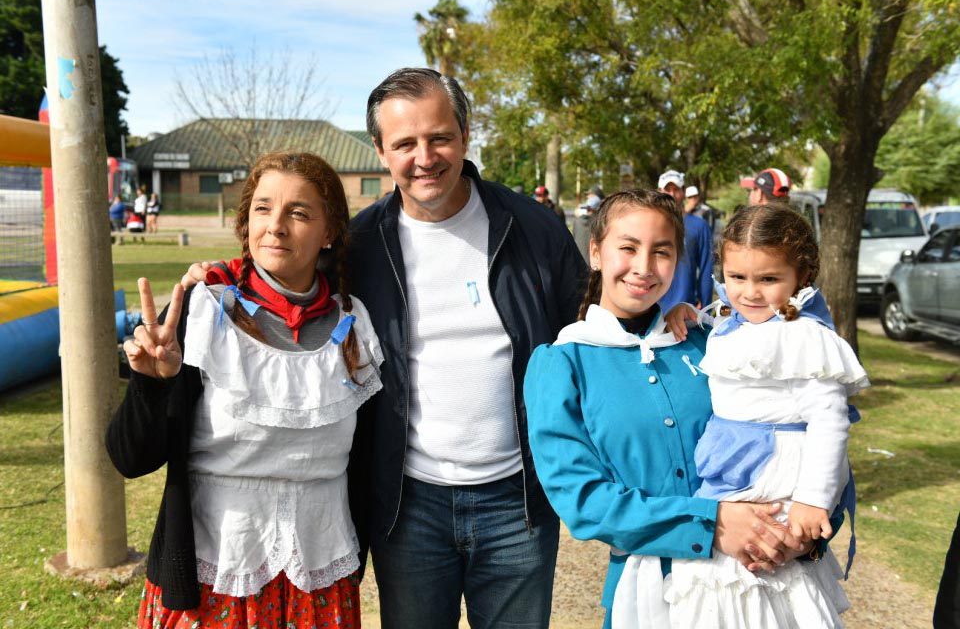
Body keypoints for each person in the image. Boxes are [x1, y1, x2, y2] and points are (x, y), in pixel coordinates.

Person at [181, 68, 586, 629]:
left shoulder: (534, 231)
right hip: (407, 505)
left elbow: (591, 333)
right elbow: (284, 274)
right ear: (380, 150)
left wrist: (663, 316)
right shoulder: (360, 246)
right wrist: (218, 274)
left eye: (439, 137)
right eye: (404, 143)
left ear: (465, 136)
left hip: (516, 504)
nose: (425, 157)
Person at [106, 152, 383, 628]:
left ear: (330, 233)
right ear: (246, 221)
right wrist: (152, 385)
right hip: (214, 578)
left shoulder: (355, 325)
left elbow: (366, 461)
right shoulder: (203, 310)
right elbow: (131, 459)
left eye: (298, 213)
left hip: (319, 580)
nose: (275, 227)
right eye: (262, 208)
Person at [523, 189, 810, 629]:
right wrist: (709, 525)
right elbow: (583, 500)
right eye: (628, 248)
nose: (643, 267)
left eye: (661, 252)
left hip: (755, 582)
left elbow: (791, 423)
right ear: (596, 252)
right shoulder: (562, 363)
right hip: (649, 593)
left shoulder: (709, 342)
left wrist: (797, 522)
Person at [663, 203, 867, 628]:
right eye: (737, 277)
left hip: (777, 471)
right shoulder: (735, 320)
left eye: (768, 279)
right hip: (733, 465)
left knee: (772, 568)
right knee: (720, 580)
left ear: (802, 277)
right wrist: (689, 313)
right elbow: (727, 326)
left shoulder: (803, 334)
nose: (750, 293)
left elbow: (830, 422)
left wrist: (814, 499)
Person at [657, 170, 714, 310]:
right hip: (651, 311)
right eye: (667, 189)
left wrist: (706, 306)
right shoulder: (647, 225)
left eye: (676, 189)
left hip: (686, 310)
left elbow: (707, 268)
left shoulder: (699, 226)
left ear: (683, 192)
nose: (671, 194)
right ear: (659, 191)